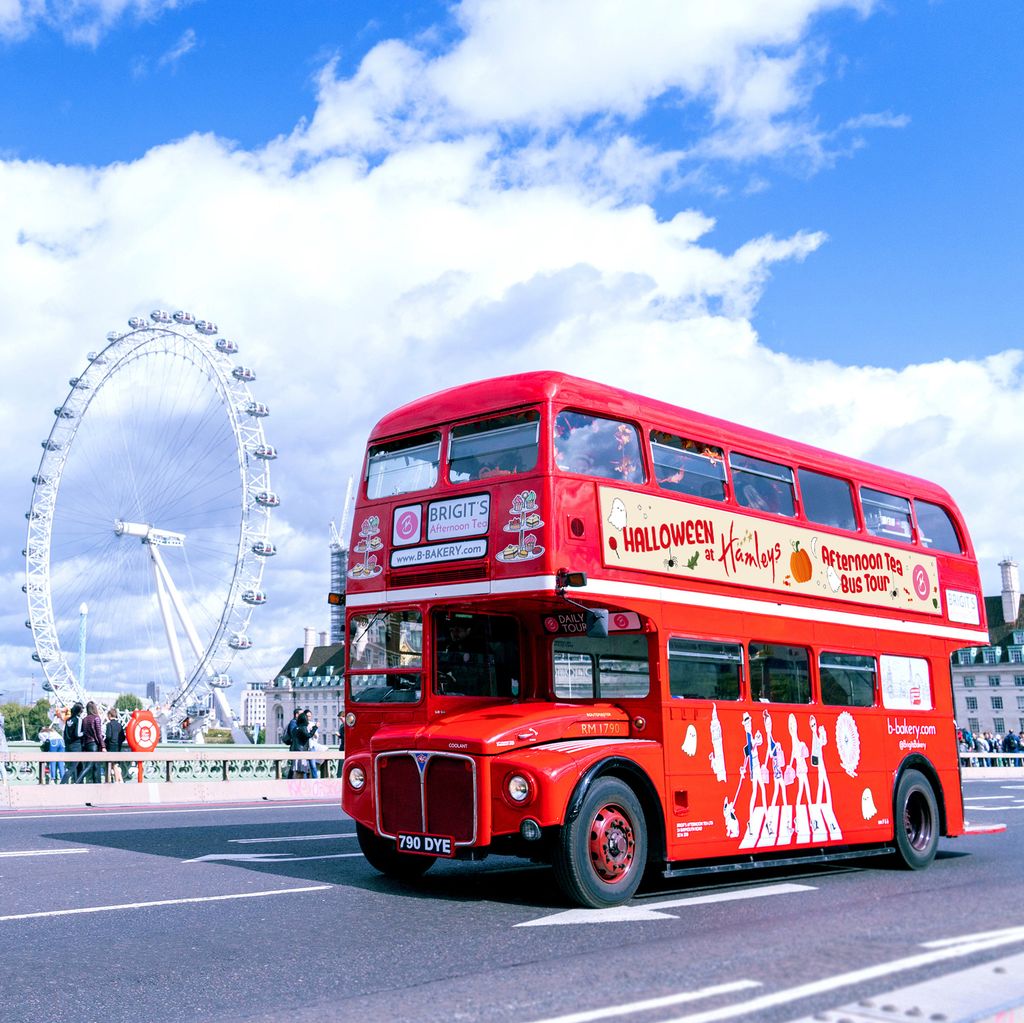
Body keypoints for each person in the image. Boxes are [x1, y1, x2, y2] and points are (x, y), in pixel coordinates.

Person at [81, 701, 106, 783]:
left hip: (87, 744)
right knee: (94, 766)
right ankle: (79, 781)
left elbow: (83, 733)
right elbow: (99, 734)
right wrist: (103, 746)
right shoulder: (96, 718)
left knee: (92, 766)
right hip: (94, 745)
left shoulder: (84, 719)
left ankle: (96, 783)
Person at [290, 711, 317, 779]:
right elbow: (309, 735)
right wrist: (315, 728)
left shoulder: (295, 728)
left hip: (295, 750)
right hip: (302, 751)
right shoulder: (303, 727)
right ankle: (303, 785)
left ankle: (297, 785)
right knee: (302, 770)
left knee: (297, 770)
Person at [63, 702, 84, 783]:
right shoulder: (78, 719)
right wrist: (85, 733)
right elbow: (78, 734)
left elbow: (65, 733)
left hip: (68, 745)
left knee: (72, 766)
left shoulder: (68, 719)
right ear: (80, 711)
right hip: (76, 745)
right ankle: (62, 783)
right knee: (73, 767)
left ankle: (75, 782)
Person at [104, 709, 127, 783]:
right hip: (118, 746)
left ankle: (115, 781)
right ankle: (120, 780)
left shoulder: (109, 725)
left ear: (110, 715)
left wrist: (104, 743)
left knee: (112, 764)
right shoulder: (119, 725)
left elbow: (108, 736)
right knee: (115, 764)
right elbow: (123, 737)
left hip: (111, 746)